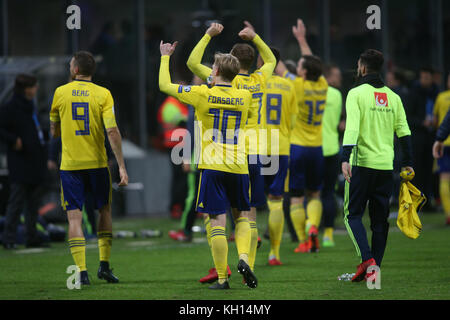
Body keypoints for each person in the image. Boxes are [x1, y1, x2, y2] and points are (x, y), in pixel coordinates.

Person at [159, 40, 256, 290]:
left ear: (215, 71)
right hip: (239, 166)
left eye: (212, 66)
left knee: (216, 222)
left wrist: (164, 57)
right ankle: (245, 259)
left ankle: (223, 279)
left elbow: (164, 85)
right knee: (242, 217)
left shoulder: (202, 93)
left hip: (212, 166)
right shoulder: (244, 96)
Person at [186, 21, 276, 279]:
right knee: (249, 214)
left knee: (215, 213)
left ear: (232, 62)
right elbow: (270, 61)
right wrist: (256, 37)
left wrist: (208, 35)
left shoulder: (227, 82)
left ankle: (221, 266)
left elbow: (192, 64)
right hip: (257, 151)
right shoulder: (260, 79)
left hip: (226, 152)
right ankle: (248, 262)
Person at [49, 51, 128, 285]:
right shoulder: (103, 94)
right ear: (91, 71)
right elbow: (112, 131)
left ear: (74, 70)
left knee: (75, 217)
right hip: (97, 164)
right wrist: (122, 166)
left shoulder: (60, 92)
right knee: (104, 211)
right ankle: (104, 266)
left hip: (71, 165)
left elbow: (53, 131)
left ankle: (81, 272)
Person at [341, 49, 413, 282]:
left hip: (361, 164)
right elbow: (404, 132)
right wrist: (408, 163)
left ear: (362, 68)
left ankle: (367, 259)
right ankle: (375, 272)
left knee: (352, 215)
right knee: (380, 222)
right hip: (385, 166)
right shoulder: (393, 97)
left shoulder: (356, 93)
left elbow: (351, 127)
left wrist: (345, 156)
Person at [275, 19, 328, 253]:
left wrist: (255, 39)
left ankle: (304, 241)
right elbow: (313, 63)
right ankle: (313, 226)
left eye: (299, 66)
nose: (297, 67)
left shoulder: (297, 85)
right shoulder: (323, 85)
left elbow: (276, 65)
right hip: (317, 148)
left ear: (303, 73)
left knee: (296, 197)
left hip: (296, 148)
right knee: (314, 193)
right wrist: (301, 39)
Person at [256, 47, 298, 265]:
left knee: (248, 201)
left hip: (255, 147)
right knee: (276, 201)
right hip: (280, 147)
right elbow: (293, 121)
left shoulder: (253, 81)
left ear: (262, 59)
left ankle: (250, 242)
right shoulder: (289, 86)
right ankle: (275, 252)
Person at [0, 74, 48, 249]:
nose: (36, 89)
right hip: (20, 161)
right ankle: (9, 238)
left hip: (35, 159)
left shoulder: (31, 106)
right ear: (26, 88)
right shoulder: (11, 107)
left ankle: (32, 236)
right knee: (17, 201)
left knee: (33, 202)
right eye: (34, 86)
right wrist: (14, 141)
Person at [407, 67, 439, 207]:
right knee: (418, 170)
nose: (424, 80)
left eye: (426, 77)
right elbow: (408, 117)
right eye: (422, 77)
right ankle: (417, 200)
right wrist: (421, 122)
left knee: (429, 170)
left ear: (432, 78)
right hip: (418, 138)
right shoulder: (414, 94)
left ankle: (429, 201)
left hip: (432, 137)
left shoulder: (436, 93)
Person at [320, 63, 343, 248]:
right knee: (328, 192)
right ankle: (328, 234)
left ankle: (309, 229)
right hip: (332, 149)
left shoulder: (311, 92)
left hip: (312, 147)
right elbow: (338, 121)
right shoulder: (337, 95)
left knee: (309, 193)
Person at [432, 73, 450, 225]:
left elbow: (436, 119)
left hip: (444, 144)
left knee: (444, 178)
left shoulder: (441, 97)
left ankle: (448, 213)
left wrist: (439, 138)